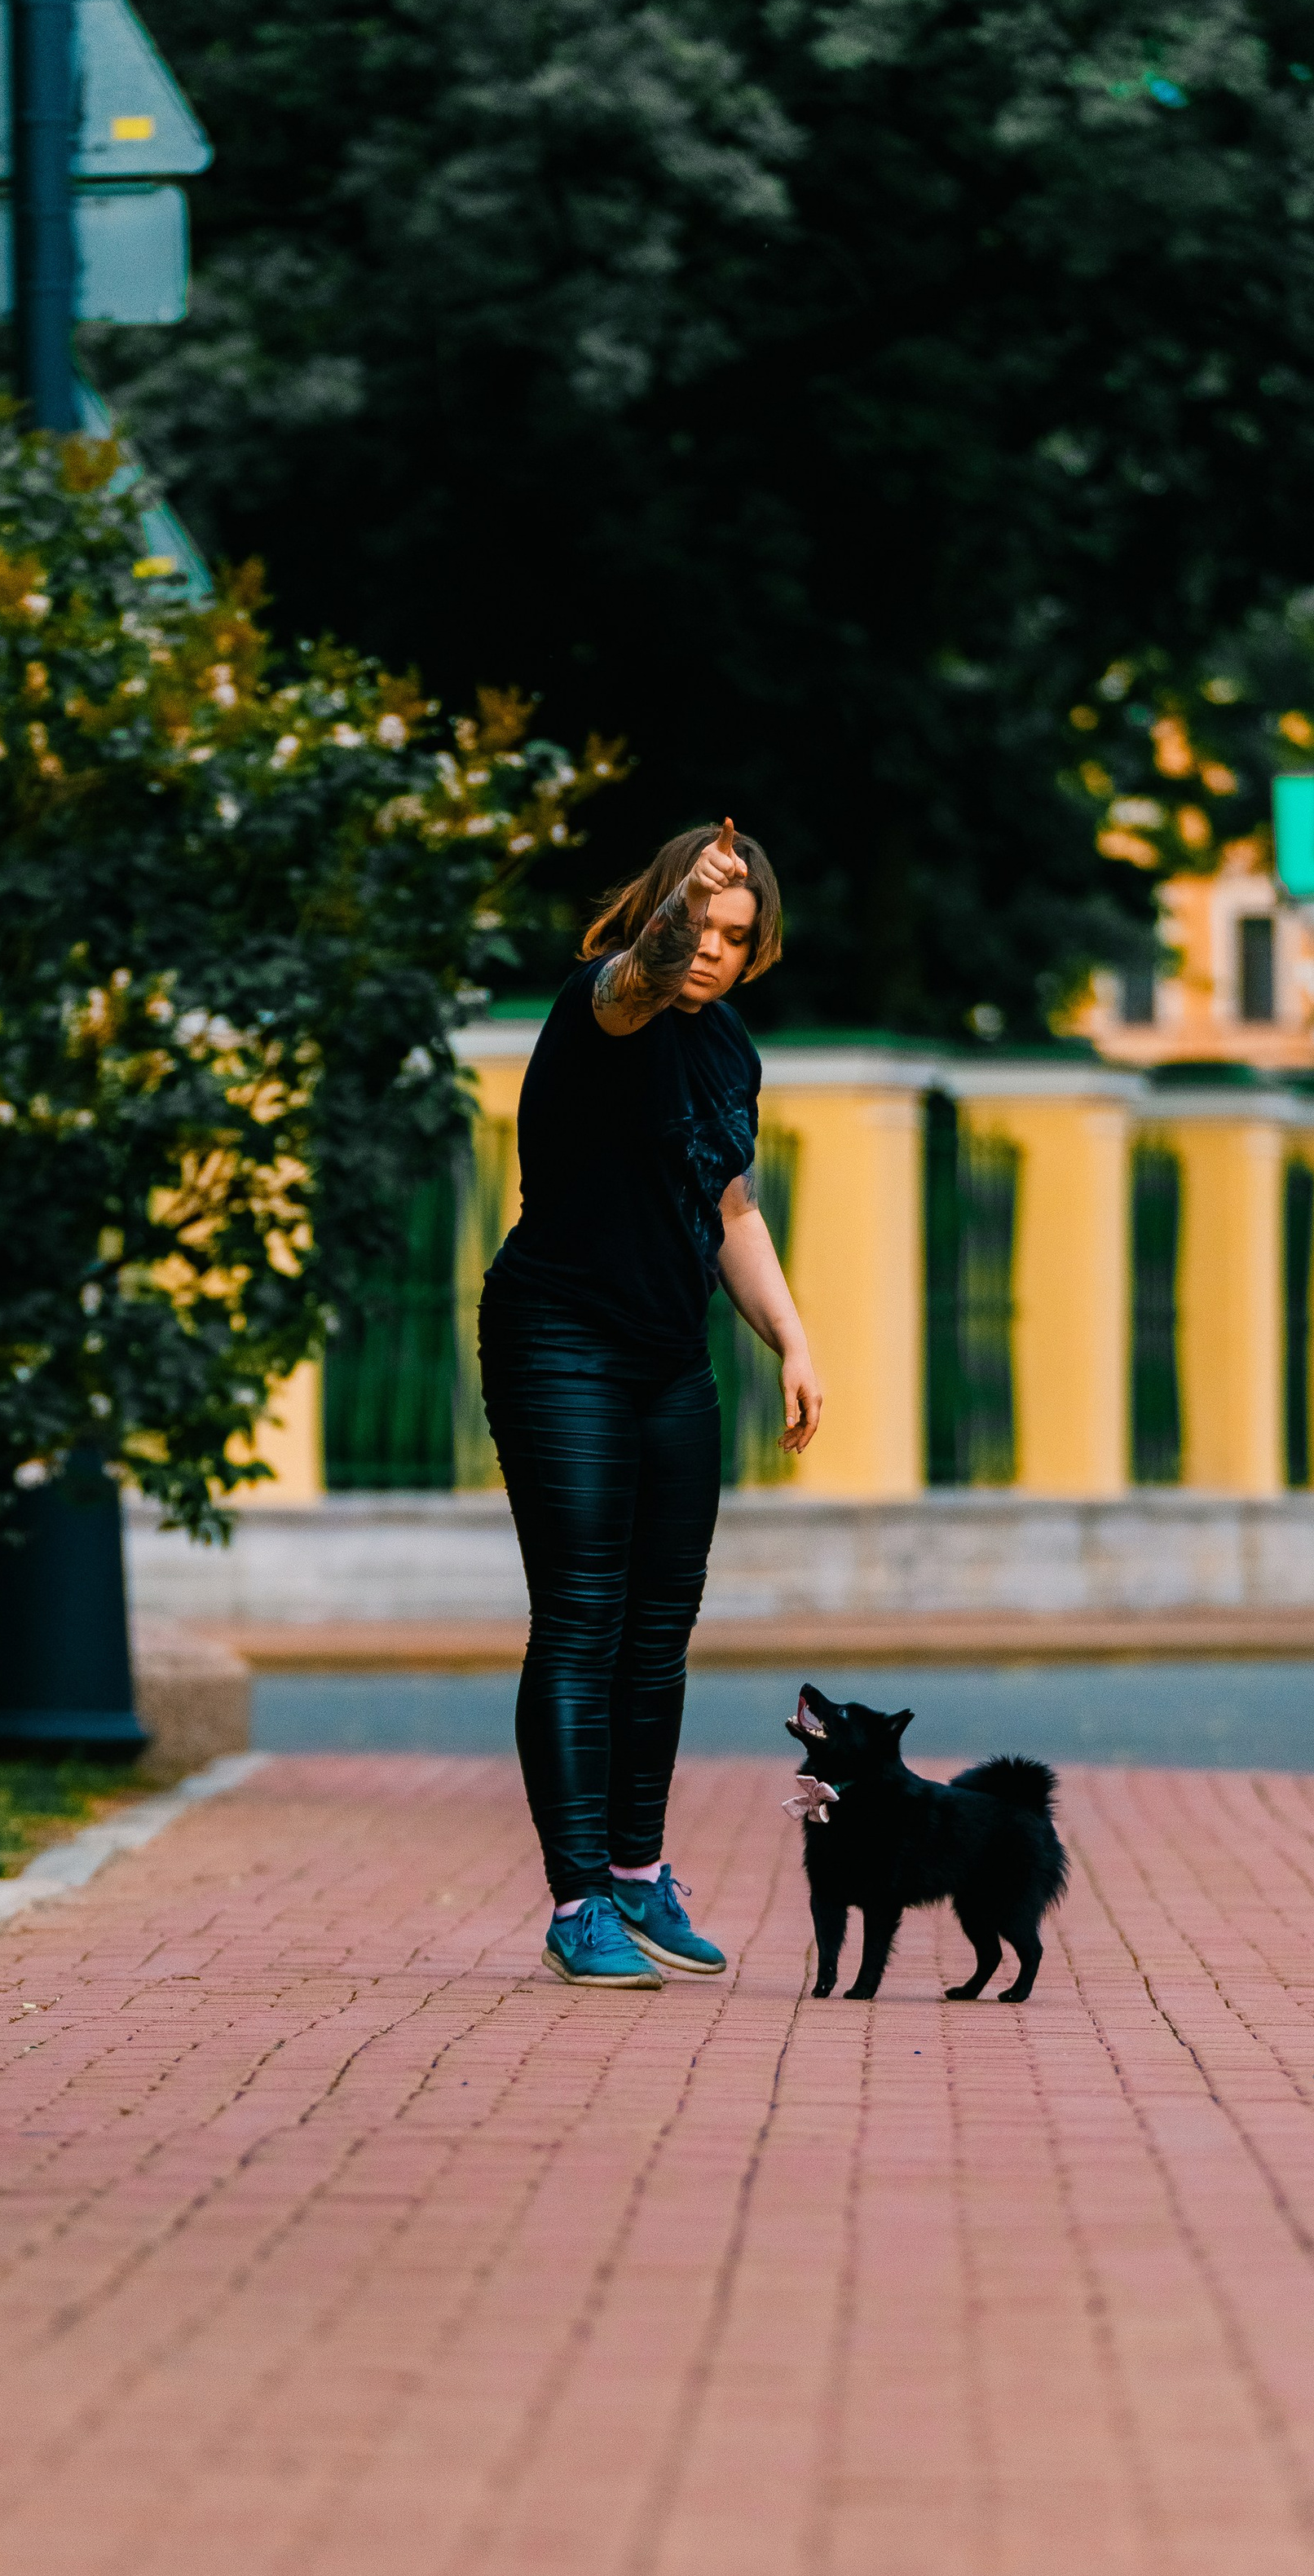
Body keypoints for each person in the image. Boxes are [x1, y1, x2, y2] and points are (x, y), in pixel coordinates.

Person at [479, 818, 823, 1987]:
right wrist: (679, 911)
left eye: (737, 935)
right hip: (558, 1339)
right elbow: (640, 982)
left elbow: (729, 1210)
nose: (715, 953)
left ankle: (637, 1874)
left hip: (672, 1354)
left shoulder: (729, 1050)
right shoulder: (601, 1005)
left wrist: (789, 1336)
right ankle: (576, 1900)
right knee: (581, 1614)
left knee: (661, 1622)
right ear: (665, 915)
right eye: (701, 928)